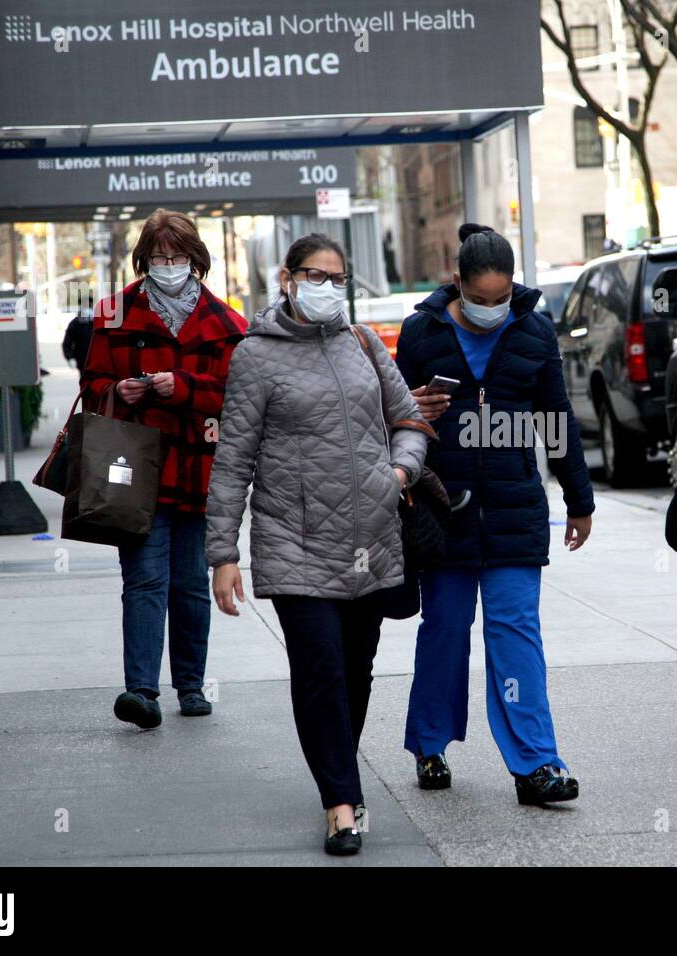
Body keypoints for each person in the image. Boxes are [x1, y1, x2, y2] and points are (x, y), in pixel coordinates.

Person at [204, 234, 429, 857]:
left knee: (356, 671)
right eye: (314, 274)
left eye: (337, 276)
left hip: (371, 539)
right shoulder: (255, 356)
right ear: (287, 278)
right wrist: (222, 554)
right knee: (322, 669)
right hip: (293, 542)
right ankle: (340, 804)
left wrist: (400, 474)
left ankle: (339, 776)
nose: (327, 286)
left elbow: (408, 419)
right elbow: (233, 462)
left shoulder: (360, 343)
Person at [394, 223, 595, 807]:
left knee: (516, 634)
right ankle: (430, 744)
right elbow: (391, 412)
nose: (490, 310)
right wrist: (412, 409)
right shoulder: (421, 331)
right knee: (446, 631)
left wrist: (578, 500)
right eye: (479, 300)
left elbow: (556, 419)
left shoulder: (533, 329)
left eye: (500, 299)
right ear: (457, 283)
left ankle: (537, 763)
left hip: (513, 510)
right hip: (443, 510)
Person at [80, 209, 247, 731]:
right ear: (144, 259)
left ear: (195, 259)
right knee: (144, 580)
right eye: (159, 257)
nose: (168, 266)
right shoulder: (114, 314)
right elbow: (92, 385)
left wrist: (188, 389)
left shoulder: (227, 323)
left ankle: (191, 685)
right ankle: (141, 691)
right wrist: (119, 390)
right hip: (136, 468)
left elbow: (242, 398)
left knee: (191, 583)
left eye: (177, 257)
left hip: (199, 467)